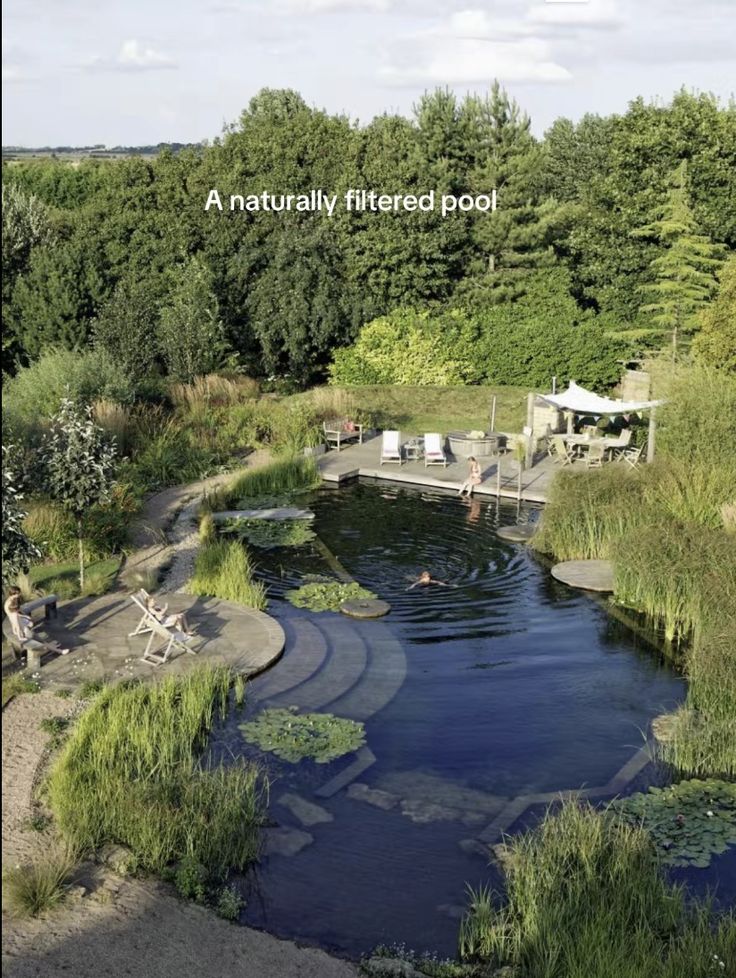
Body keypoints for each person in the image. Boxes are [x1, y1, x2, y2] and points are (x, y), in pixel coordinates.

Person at [3, 586, 70, 655]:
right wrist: (20, 636)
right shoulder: (11, 607)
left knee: (39, 639)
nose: (19, 595)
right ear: (13, 594)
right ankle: (59, 651)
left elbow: (14, 616)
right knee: (40, 642)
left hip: (23, 627)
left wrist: (25, 616)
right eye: (18, 593)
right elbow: (16, 623)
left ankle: (52, 646)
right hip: (24, 631)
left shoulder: (10, 603)